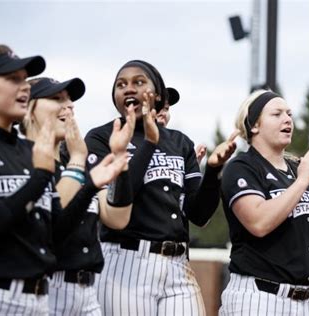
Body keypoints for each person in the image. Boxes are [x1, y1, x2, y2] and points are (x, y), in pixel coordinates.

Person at [84, 59, 237, 316]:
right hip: (127, 263)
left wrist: (212, 171)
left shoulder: (179, 142)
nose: (129, 88)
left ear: (156, 94)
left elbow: (198, 214)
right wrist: (149, 144)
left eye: (138, 82)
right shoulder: (102, 137)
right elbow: (120, 201)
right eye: (121, 84)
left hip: (178, 265)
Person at [219, 89, 309, 315]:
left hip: (307, 301)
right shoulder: (242, 167)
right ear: (254, 125)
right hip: (260, 298)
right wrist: (303, 181)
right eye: (276, 114)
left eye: (289, 114)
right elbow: (258, 222)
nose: (287, 119)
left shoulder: (299, 168)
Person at [22, 76, 134, 315]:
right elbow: (49, 222)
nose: (69, 105)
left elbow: (117, 218)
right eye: (56, 98)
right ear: (28, 108)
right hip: (47, 288)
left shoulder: (74, 164)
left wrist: (120, 162)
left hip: (87, 293)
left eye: (70, 100)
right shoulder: (23, 161)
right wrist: (77, 160)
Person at [0, 44, 56, 315]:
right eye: (12, 79)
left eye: (25, 79)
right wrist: (40, 177)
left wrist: (92, 180)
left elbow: (57, 235)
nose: (24, 87)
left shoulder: (30, 150)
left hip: (40, 299)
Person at [157, 86, 207, 162]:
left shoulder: (180, 142)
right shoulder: (133, 140)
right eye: (158, 107)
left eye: (166, 108)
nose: (164, 113)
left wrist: (192, 166)